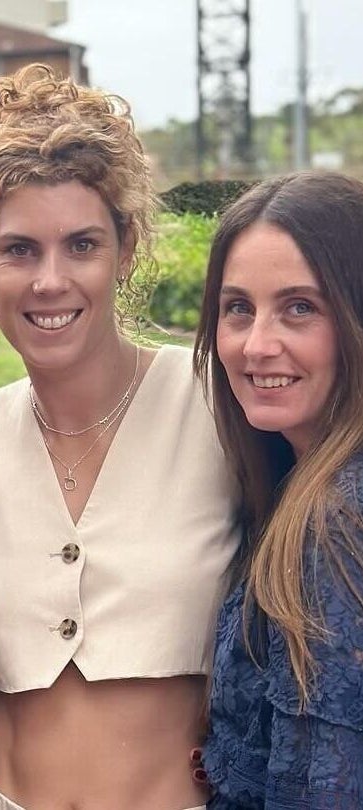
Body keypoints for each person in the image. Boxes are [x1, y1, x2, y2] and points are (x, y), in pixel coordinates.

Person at [0, 64, 239, 809]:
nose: (50, 281)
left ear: (124, 248)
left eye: (81, 245)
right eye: (18, 249)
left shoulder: (215, 402)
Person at [193, 171, 363, 807]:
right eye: (238, 308)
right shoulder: (292, 480)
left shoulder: (338, 519)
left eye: (300, 308)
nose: (258, 345)